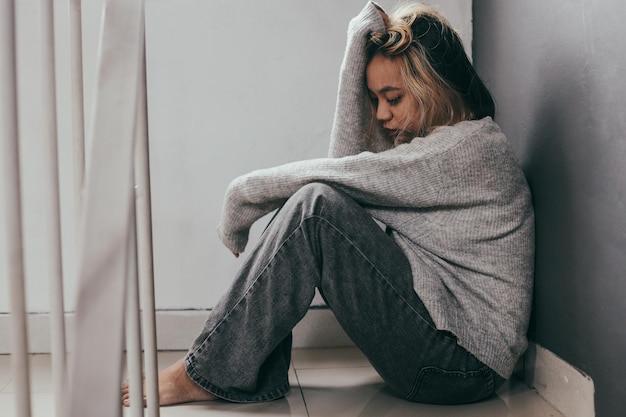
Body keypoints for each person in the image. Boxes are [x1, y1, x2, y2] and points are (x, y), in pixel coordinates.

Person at [123, 1, 534, 406]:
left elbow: (336, 179)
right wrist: (356, 51)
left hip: (460, 367)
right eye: (375, 100)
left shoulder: (466, 151)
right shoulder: (441, 148)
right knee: (317, 204)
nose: (383, 115)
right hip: (450, 355)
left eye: (393, 98)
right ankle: (238, 370)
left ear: (435, 87)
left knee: (315, 207)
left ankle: (205, 373)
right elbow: (344, 171)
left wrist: (242, 194)